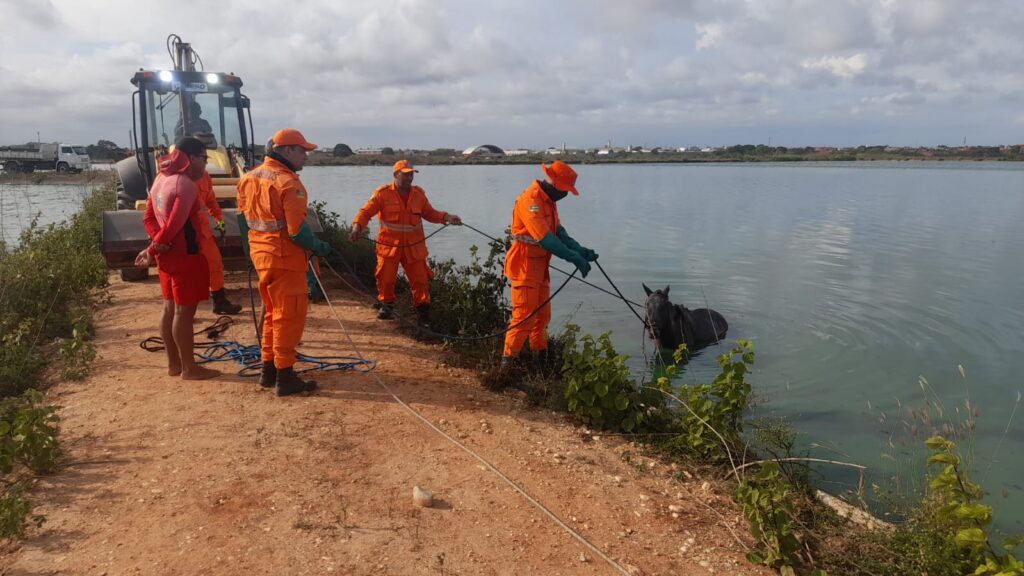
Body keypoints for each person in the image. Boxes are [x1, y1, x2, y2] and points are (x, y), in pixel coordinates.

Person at [236, 128, 332, 396]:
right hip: (284, 260)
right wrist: (320, 247)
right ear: (286, 151)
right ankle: (286, 377)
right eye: (302, 151)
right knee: (288, 317)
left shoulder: (248, 178)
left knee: (271, 315)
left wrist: (250, 252)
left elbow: (244, 221)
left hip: (261, 257)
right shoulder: (289, 183)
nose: (306, 157)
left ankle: (269, 370)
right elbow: (296, 231)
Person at [134, 137, 220, 381]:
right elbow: (175, 223)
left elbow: (148, 218)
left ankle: (173, 364)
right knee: (184, 313)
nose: (205, 164)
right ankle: (189, 368)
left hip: (167, 257)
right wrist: (155, 247)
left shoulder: (160, 180)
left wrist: (157, 245)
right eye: (204, 158)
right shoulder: (185, 185)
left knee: (169, 308)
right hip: (186, 256)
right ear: (191, 158)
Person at [501, 161, 598, 368]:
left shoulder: (549, 200)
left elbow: (559, 232)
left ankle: (541, 363)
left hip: (540, 268)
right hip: (525, 266)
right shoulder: (531, 200)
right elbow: (546, 239)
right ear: (554, 183)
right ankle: (505, 369)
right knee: (523, 318)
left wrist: (581, 250)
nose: (565, 196)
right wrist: (574, 258)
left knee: (542, 317)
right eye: (564, 191)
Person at [349, 160, 462, 328]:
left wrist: (447, 217)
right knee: (385, 279)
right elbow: (365, 212)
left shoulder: (418, 194)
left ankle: (423, 314)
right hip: (389, 247)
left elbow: (429, 213)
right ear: (396, 174)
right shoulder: (382, 193)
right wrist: (357, 228)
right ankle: (386, 305)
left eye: (411, 174)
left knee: (420, 281)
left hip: (414, 247)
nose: (410, 177)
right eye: (406, 174)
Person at [196, 172, 243, 314]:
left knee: (215, 265)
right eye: (202, 157)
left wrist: (220, 220)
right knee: (186, 272)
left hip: (202, 233)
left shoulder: (204, 177)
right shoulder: (173, 178)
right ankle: (182, 310)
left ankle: (219, 301)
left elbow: (211, 201)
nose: (205, 161)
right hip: (183, 235)